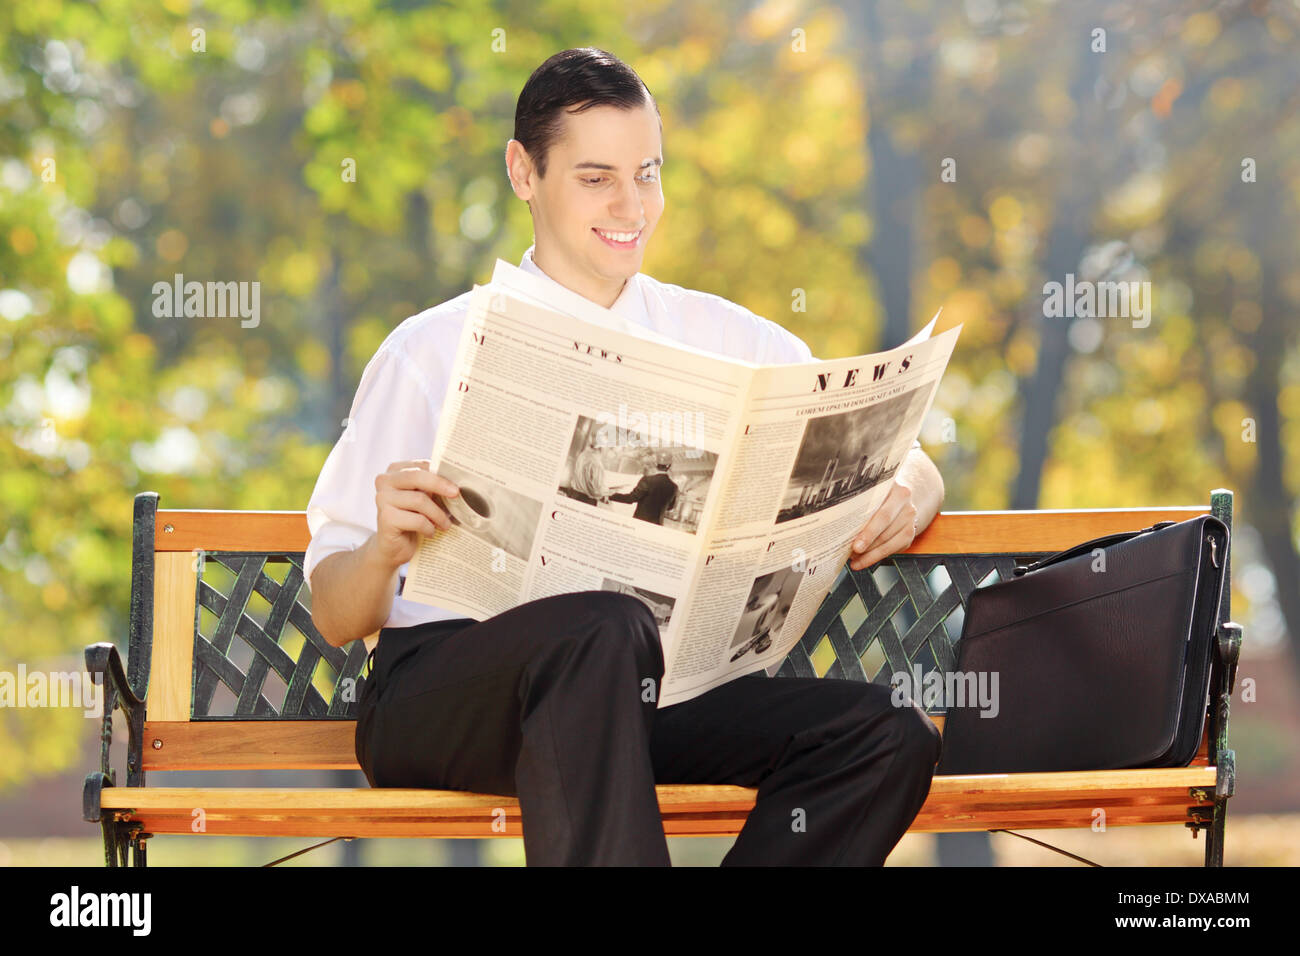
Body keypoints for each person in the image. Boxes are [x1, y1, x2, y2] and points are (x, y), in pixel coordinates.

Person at [305, 47, 946, 866]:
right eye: (596, 176)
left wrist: (915, 487)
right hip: (444, 700)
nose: (630, 204)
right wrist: (387, 545)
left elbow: (893, 444)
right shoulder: (430, 349)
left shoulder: (724, 336)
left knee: (884, 734)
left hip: (650, 693)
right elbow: (332, 611)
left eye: (648, 173)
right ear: (522, 171)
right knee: (605, 628)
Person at [608, 450, 678, 524]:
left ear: (655, 463)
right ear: (669, 465)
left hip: (640, 521)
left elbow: (631, 498)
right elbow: (670, 507)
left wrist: (610, 495)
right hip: (657, 525)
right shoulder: (674, 487)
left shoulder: (647, 480)